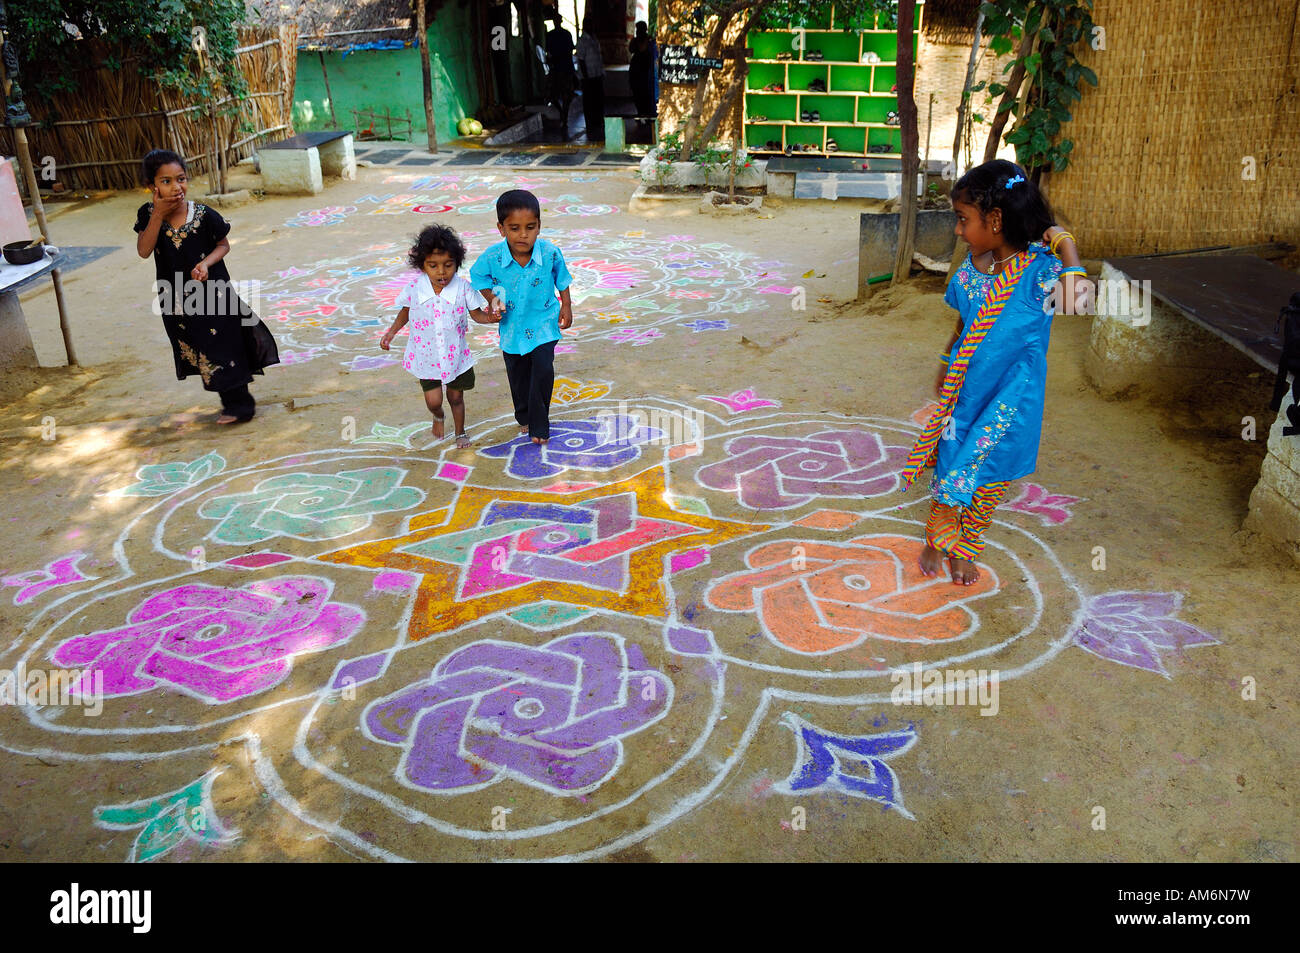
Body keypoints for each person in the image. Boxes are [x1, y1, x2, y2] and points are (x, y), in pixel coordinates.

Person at [900, 159, 1085, 585]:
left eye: (963, 220)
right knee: (950, 469)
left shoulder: (1042, 271)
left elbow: (1077, 303)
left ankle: (966, 547)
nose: (958, 230)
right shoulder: (969, 273)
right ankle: (938, 538)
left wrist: (1064, 243)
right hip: (965, 394)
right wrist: (947, 364)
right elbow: (963, 325)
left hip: (1011, 400)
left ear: (996, 220)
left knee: (987, 480)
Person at [134, 149, 279, 424]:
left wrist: (206, 264)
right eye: (166, 181)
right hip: (178, 300)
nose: (176, 186)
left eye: (181, 178)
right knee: (203, 348)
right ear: (152, 187)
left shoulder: (202, 214)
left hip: (214, 294)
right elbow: (144, 250)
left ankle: (241, 406)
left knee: (225, 344)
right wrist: (157, 216)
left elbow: (223, 245)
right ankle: (231, 402)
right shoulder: (148, 214)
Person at [469, 190, 573, 445]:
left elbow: (562, 279)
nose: (523, 235)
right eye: (514, 228)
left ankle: (540, 425)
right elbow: (478, 277)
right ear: (501, 228)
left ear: (539, 226)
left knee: (543, 371)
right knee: (518, 375)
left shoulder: (550, 253)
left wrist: (566, 305)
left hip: (544, 324)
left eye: (530, 227)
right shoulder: (493, 257)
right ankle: (524, 416)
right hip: (512, 328)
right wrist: (492, 298)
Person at [380, 224, 498, 448]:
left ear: (457, 263)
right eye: (433, 266)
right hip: (426, 356)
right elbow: (405, 311)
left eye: (448, 265)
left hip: (456, 357)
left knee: (456, 398)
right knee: (433, 401)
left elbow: (477, 314)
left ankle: (460, 432)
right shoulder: (415, 288)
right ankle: (438, 416)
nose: (441, 272)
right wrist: (391, 332)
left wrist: (490, 319)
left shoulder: (463, 288)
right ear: (422, 265)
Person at [545, 12, 577, 137]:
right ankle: (564, 115)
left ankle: (564, 116)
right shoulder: (558, 35)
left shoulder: (557, 35)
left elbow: (550, 54)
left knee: (562, 95)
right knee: (558, 95)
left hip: (561, 69)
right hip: (561, 69)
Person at [575, 16, 606, 144]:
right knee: (589, 102)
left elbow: (598, 57)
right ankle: (591, 125)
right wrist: (586, 76)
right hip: (588, 77)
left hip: (597, 75)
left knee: (598, 100)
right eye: (590, 24)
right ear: (585, 26)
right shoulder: (582, 41)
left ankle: (598, 122)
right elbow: (581, 60)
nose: (592, 27)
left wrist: (601, 73)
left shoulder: (594, 39)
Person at [629, 20, 657, 119]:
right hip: (636, 70)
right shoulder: (635, 41)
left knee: (645, 93)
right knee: (637, 93)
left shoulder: (649, 41)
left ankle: (646, 113)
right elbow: (632, 49)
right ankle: (641, 113)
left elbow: (642, 49)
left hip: (645, 71)